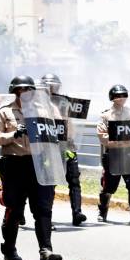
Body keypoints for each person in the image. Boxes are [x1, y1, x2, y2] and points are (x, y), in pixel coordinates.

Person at [0, 75, 63, 260]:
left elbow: (55, 134)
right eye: (21, 90)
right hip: (14, 164)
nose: (25, 93)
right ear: (14, 92)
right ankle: (9, 249)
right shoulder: (5, 112)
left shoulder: (42, 111)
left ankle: (46, 250)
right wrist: (14, 134)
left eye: (28, 90)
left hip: (38, 164)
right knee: (14, 209)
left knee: (43, 209)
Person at [41, 73, 86, 226]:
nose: (53, 88)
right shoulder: (38, 102)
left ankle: (77, 213)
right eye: (49, 85)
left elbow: (69, 123)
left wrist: (72, 142)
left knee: (74, 180)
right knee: (49, 182)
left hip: (66, 145)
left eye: (55, 85)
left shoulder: (64, 102)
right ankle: (46, 216)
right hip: (48, 147)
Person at [97, 84, 130, 225]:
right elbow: (102, 136)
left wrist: (123, 140)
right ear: (112, 98)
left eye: (123, 95)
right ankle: (102, 211)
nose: (121, 98)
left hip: (129, 153)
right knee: (108, 186)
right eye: (118, 96)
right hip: (113, 154)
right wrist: (118, 142)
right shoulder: (105, 115)